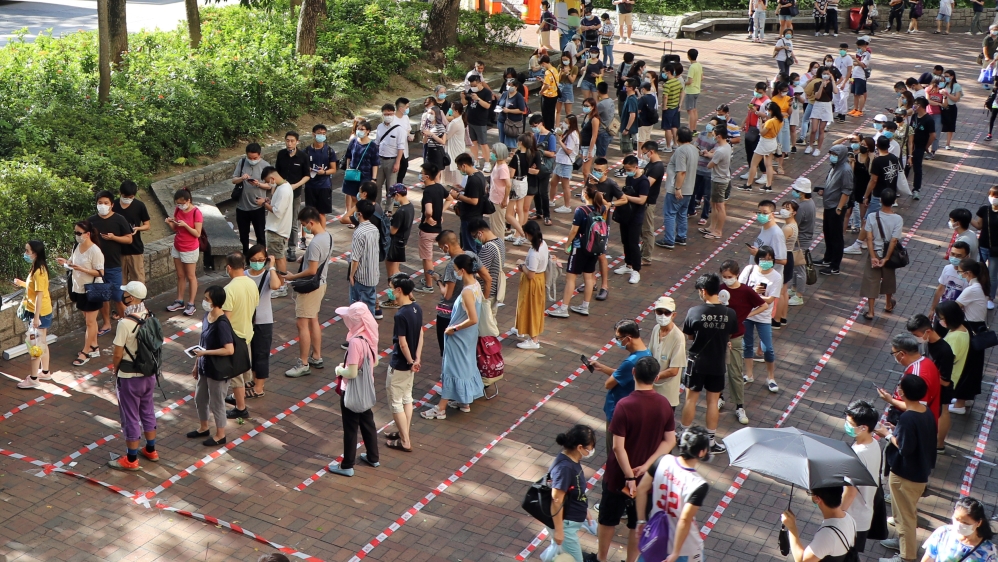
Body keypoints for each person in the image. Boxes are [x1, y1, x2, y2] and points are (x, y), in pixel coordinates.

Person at [596, 356, 677, 562]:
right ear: (657, 377)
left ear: (633, 373)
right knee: (637, 523)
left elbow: (617, 446)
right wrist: (647, 466)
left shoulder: (625, 405)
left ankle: (602, 558)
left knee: (608, 519)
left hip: (618, 476)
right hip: (647, 479)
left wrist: (629, 476)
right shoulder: (664, 404)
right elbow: (669, 441)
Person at [875, 374, 937, 562]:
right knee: (905, 513)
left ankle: (906, 556)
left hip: (906, 475)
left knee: (905, 517)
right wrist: (896, 430)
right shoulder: (924, 411)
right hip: (920, 471)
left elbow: (904, 447)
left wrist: (887, 434)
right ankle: (902, 542)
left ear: (903, 392)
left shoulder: (909, 418)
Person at [421, 254, 485, 419]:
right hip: (469, 336)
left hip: (460, 336)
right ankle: (463, 401)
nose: (455, 273)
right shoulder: (476, 285)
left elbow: (472, 318)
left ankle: (440, 408)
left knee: (452, 368)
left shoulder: (466, 292)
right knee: (465, 365)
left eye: (456, 270)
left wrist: (453, 329)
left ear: (462, 271)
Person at [681, 273, 738, 451]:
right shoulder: (730, 313)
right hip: (717, 363)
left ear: (703, 291)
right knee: (713, 402)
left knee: (691, 400)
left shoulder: (694, 312)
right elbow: (729, 335)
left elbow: (689, 336)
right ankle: (711, 441)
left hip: (696, 363)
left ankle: (684, 437)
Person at [635, 426, 711, 562]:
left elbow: (641, 489)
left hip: (655, 536)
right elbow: (684, 519)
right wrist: (675, 552)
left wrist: (641, 520)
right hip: (684, 548)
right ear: (701, 452)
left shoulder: (662, 460)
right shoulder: (698, 484)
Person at [106, 281, 158, 470]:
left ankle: (131, 459)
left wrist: (115, 369)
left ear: (132, 298)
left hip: (129, 377)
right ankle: (151, 450)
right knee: (147, 411)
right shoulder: (150, 316)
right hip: (149, 375)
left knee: (130, 417)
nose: (124, 296)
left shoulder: (125, 323)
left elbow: (118, 353)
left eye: (126, 293)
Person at [283, 207, 334, 378]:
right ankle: (316, 356)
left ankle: (303, 363)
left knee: (302, 324)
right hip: (322, 283)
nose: (304, 228)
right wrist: (304, 257)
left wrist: (292, 277)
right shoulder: (327, 236)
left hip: (311, 287)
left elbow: (312, 270)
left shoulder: (315, 243)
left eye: (305, 225)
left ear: (311, 222)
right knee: (313, 320)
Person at [719, 261, 769, 425]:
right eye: (724, 277)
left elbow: (764, 304)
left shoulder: (746, 291)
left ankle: (739, 406)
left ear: (737, 275)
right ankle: (719, 396)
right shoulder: (720, 290)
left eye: (730, 277)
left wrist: (749, 315)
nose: (727, 280)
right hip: (719, 337)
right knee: (718, 370)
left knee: (735, 373)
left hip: (735, 338)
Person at [431, 231, 491, 355]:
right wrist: (483, 301)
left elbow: (447, 295)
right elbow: (488, 278)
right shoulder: (471, 255)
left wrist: (438, 281)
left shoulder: (452, 265)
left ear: (446, 246)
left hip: (449, 314)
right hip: (469, 311)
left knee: (447, 350)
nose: (443, 250)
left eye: (441, 247)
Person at [546, 424, 598, 562]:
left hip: (571, 521)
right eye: (590, 448)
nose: (591, 451)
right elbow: (556, 501)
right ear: (580, 447)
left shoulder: (571, 460)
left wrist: (584, 508)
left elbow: (574, 490)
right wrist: (559, 530)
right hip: (566, 525)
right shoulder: (565, 468)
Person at [908, 312, 956, 453]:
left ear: (927, 331)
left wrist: (926, 376)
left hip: (941, 390)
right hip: (928, 388)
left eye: (917, 335)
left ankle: (939, 444)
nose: (917, 338)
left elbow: (945, 381)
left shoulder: (945, 351)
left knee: (942, 412)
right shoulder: (926, 343)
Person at [385, 275, 423, 453]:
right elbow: (420, 334)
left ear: (399, 290)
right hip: (411, 364)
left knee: (396, 402)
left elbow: (402, 342)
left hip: (400, 363)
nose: (391, 292)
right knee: (407, 398)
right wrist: (417, 359)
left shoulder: (400, 314)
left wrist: (409, 360)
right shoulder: (417, 308)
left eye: (392, 288)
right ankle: (403, 432)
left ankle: (405, 440)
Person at [60, 220, 105, 367]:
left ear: (87, 234)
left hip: (92, 289)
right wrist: (65, 262)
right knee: (88, 320)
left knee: (90, 322)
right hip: (79, 288)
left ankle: (85, 352)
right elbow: (73, 263)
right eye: (75, 233)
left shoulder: (95, 251)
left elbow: (100, 272)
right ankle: (94, 347)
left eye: (79, 233)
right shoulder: (77, 246)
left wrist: (82, 269)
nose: (77, 236)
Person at [239, 245, 281, 400]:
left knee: (261, 353)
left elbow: (276, 286)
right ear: (248, 260)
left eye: (261, 260)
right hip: (246, 320)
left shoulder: (269, 274)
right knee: (251, 354)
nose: (258, 263)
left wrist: (271, 267)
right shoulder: (243, 275)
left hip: (264, 320)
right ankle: (254, 380)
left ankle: (259, 388)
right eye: (254, 260)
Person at [89, 190, 134, 335]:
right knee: (103, 298)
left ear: (112, 205)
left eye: (106, 203)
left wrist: (114, 238)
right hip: (96, 267)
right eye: (100, 203)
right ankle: (106, 324)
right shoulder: (91, 221)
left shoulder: (119, 219)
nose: (102, 205)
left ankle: (126, 324)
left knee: (117, 297)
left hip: (114, 265)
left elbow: (129, 239)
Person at [738, 247, 782, 393]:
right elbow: (740, 291)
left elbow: (770, 300)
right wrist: (753, 292)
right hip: (747, 315)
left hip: (763, 317)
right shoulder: (749, 270)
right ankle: (749, 374)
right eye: (763, 258)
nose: (766, 262)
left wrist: (753, 296)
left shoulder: (776, 277)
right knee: (747, 345)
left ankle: (771, 377)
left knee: (767, 348)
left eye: (770, 259)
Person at [841, 400, 883, 552]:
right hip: (863, 515)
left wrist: (837, 514)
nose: (847, 425)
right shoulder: (873, 444)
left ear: (863, 428)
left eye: (850, 423)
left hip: (852, 517)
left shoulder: (857, 454)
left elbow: (850, 491)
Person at [952, 259, 990, 415]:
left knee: (965, 365)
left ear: (967, 273)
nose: (959, 275)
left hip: (970, 329)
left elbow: (953, 308)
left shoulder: (972, 289)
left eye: (960, 272)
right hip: (977, 328)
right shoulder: (979, 286)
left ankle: (960, 403)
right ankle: (966, 398)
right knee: (973, 365)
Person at [781, 486, 858, 562]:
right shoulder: (849, 518)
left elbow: (802, 561)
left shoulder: (827, 536)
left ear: (817, 499)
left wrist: (792, 528)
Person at [14, 240, 53, 389]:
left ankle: (34, 378)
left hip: (39, 314)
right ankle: (45, 372)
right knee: (42, 342)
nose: (25, 254)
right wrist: (23, 284)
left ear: (35, 253)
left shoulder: (39, 271)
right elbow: (34, 289)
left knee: (35, 346)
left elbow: (39, 295)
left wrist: (36, 318)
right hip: (41, 312)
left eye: (27, 251)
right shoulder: (37, 268)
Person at [861, 189, 902, 320]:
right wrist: (886, 258)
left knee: (871, 281)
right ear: (894, 201)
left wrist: (873, 256)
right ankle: (888, 304)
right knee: (888, 280)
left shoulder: (872, 216)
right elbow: (894, 240)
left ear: (880, 200)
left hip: (875, 253)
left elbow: (869, 238)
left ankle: (871, 311)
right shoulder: (898, 219)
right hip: (888, 254)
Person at [814, 145, 853, 275]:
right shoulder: (834, 167)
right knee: (828, 233)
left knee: (836, 237)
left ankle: (835, 266)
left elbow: (846, 190)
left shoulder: (846, 170)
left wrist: (839, 208)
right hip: (829, 205)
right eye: (831, 153)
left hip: (836, 208)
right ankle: (828, 258)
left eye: (835, 154)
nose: (832, 156)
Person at [658, 128, 698, 250]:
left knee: (670, 214)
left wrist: (677, 188)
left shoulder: (681, 151)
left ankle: (669, 239)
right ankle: (681, 236)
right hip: (689, 188)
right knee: (682, 213)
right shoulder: (694, 149)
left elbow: (681, 171)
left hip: (678, 189)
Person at [922, 497, 997, 562]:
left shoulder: (989, 551)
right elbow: (929, 557)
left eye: (965, 523)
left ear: (978, 523)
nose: (958, 525)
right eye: (956, 519)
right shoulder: (943, 532)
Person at [256, 167, 293, 298]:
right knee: (280, 257)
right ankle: (281, 283)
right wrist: (268, 202)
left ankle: (281, 285)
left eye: (268, 181)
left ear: (272, 178)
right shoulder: (285, 187)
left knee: (278, 258)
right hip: (279, 229)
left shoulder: (283, 190)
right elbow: (278, 206)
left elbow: (277, 211)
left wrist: (263, 204)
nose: (269, 184)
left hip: (277, 229)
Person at [612, 156, 649, 284]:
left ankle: (636, 270)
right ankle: (628, 265)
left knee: (633, 243)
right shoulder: (629, 178)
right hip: (625, 214)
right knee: (625, 241)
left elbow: (642, 200)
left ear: (636, 167)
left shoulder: (643, 182)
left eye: (629, 169)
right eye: (625, 169)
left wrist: (625, 197)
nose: (627, 171)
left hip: (636, 216)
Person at [514, 221, 549, 350]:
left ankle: (533, 339)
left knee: (531, 309)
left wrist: (521, 265)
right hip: (539, 279)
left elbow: (530, 275)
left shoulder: (535, 253)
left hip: (532, 283)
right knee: (531, 307)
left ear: (528, 234)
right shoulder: (543, 243)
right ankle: (525, 329)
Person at [230, 144, 270, 256]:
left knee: (260, 235)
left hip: (258, 207)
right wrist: (241, 178)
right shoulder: (242, 163)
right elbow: (234, 180)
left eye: (255, 158)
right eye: (250, 158)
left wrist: (259, 184)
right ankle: (246, 257)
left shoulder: (265, 166)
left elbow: (270, 185)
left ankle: (261, 256)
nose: (252, 160)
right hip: (242, 207)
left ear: (260, 155)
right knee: (243, 235)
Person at [380, 184, 415, 301]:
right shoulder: (410, 207)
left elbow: (393, 231)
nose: (393, 198)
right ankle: (409, 293)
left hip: (394, 244)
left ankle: (394, 300)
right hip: (402, 242)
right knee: (397, 272)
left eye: (393, 196)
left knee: (392, 275)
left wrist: (385, 224)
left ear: (398, 195)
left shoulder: (401, 211)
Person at [417, 163, 448, 293]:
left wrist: (428, 217)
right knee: (430, 256)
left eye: (422, 173)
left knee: (427, 258)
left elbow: (428, 210)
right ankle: (428, 278)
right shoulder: (439, 187)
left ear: (427, 176)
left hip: (427, 230)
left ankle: (429, 285)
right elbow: (450, 198)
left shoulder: (428, 192)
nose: (421, 175)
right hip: (438, 229)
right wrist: (440, 213)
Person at [113, 181, 150, 285]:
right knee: (120, 282)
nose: (128, 198)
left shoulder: (139, 206)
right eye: (125, 196)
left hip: (135, 249)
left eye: (131, 196)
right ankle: (123, 300)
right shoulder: (113, 205)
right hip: (118, 251)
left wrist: (138, 228)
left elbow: (147, 225)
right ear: (120, 192)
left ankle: (138, 300)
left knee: (138, 280)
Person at [740, 101, 783, 191]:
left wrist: (760, 124)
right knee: (768, 165)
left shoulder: (770, 122)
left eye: (767, 110)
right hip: (772, 142)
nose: (766, 112)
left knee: (753, 164)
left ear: (771, 110)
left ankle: (748, 184)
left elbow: (762, 133)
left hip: (764, 143)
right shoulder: (780, 121)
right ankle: (768, 185)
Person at [348, 199, 381, 317]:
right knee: (370, 306)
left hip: (361, 277)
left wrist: (351, 275)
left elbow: (355, 258)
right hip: (373, 275)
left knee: (358, 309)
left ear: (360, 214)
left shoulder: (359, 233)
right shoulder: (374, 229)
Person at [303, 124, 338, 225]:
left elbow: (333, 169)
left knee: (322, 213)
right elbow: (302, 167)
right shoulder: (306, 151)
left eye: (324, 134)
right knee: (309, 213)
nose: (321, 136)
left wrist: (324, 172)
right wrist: (308, 169)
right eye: (319, 133)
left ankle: (323, 236)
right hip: (310, 185)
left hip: (324, 186)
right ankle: (304, 237)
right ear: (313, 134)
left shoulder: (329, 151)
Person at [451, 153, 487, 252]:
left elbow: (474, 200)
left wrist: (457, 196)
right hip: (478, 215)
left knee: (469, 247)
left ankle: (472, 266)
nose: (460, 170)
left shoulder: (473, 180)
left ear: (464, 166)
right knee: (477, 245)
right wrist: (463, 189)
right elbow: (476, 192)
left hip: (470, 217)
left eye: (459, 168)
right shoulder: (479, 175)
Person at [470, 218, 506, 313]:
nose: (475, 240)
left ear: (480, 233)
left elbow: (482, 274)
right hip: (495, 291)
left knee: (485, 325)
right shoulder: (500, 241)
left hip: (487, 294)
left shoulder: (487, 248)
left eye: (474, 236)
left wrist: (469, 272)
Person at [789, 178, 816, 305]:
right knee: (795, 266)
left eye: (796, 190)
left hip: (800, 241)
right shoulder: (810, 203)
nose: (793, 192)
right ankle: (794, 288)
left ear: (802, 192)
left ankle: (799, 295)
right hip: (804, 239)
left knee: (799, 268)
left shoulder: (802, 207)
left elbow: (795, 224)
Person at [703, 126, 733, 240]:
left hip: (719, 180)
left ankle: (718, 231)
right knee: (713, 203)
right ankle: (712, 227)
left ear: (719, 136)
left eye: (714, 135)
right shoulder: (726, 146)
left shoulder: (720, 151)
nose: (713, 137)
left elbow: (710, 165)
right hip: (721, 178)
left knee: (719, 206)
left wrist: (710, 158)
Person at [928, 241, 970, 320]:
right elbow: (941, 289)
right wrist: (932, 309)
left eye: (959, 256)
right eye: (953, 254)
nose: (954, 258)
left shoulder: (969, 276)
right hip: (942, 312)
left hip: (957, 316)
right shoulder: (947, 268)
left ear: (967, 257)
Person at [971, 185, 998, 307]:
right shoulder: (984, 210)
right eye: (992, 196)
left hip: (996, 250)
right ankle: (978, 294)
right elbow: (979, 226)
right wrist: (967, 217)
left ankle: (990, 298)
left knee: (992, 274)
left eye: (997, 196)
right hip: (982, 245)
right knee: (980, 271)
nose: (994, 198)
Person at [375, 103, 408, 200]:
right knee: (377, 185)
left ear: (393, 113)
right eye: (386, 114)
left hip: (392, 160)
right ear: (382, 114)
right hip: (380, 159)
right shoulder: (380, 127)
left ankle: (388, 210)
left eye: (390, 114)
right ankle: (377, 207)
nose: (388, 116)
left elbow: (401, 147)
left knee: (391, 187)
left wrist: (397, 162)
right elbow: (377, 143)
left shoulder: (399, 129)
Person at [463, 75, 495, 170]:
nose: (473, 87)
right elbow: (465, 103)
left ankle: (487, 162)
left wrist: (477, 98)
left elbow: (487, 106)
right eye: (471, 85)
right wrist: (463, 97)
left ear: (479, 83)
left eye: (474, 84)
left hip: (480, 121)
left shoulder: (486, 92)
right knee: (472, 142)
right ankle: (475, 160)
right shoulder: (470, 91)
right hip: (470, 120)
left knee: (483, 143)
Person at [551, 114, 580, 214]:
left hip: (566, 163)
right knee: (553, 182)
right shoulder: (568, 132)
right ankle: (551, 201)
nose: (564, 124)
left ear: (571, 124)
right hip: (561, 161)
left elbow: (569, 151)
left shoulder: (572, 135)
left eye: (566, 122)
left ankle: (567, 206)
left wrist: (559, 141)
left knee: (565, 186)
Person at [532, 114, 558, 225]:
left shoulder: (550, 136)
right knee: (535, 192)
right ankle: (539, 212)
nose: (534, 127)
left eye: (535, 125)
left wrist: (540, 152)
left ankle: (547, 215)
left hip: (545, 168)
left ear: (541, 123)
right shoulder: (535, 135)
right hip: (535, 167)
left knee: (543, 192)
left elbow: (552, 153)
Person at [805, 70, 838, 157]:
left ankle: (818, 148)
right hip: (818, 105)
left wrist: (833, 80)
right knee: (814, 129)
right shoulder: (817, 84)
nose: (826, 75)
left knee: (821, 129)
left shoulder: (831, 84)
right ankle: (810, 145)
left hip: (827, 106)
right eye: (824, 74)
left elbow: (836, 91)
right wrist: (822, 86)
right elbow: (817, 96)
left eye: (828, 73)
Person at [488, 143, 516, 242]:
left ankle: (499, 247)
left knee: (498, 226)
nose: (492, 153)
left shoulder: (502, 168)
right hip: (493, 198)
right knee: (493, 224)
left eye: (493, 152)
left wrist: (504, 200)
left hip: (499, 200)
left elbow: (508, 185)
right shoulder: (497, 164)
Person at [910, 97, 935, 200]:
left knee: (917, 168)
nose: (913, 106)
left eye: (915, 104)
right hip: (910, 145)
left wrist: (926, 146)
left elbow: (933, 135)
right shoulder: (914, 116)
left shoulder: (929, 120)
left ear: (920, 105)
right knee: (906, 166)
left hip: (920, 147)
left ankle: (916, 189)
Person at [498, 77, 528, 150]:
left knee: (511, 143)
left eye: (511, 85)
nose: (509, 87)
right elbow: (499, 103)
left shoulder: (519, 96)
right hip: (502, 120)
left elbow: (522, 110)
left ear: (516, 86)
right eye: (508, 85)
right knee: (501, 141)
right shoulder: (505, 94)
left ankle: (513, 156)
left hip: (512, 123)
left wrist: (509, 111)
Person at [660, 63, 684, 152]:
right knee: (674, 126)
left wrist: (664, 106)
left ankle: (668, 146)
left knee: (667, 128)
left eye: (664, 72)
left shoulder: (668, 84)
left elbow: (665, 96)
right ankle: (675, 143)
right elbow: (682, 91)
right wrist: (680, 104)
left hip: (669, 108)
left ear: (668, 72)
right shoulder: (677, 81)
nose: (663, 74)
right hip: (675, 107)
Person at [421, 96, 449, 172]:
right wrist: (425, 136)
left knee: (437, 173)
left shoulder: (440, 127)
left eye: (431, 113)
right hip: (429, 152)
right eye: (429, 113)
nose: (429, 115)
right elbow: (424, 142)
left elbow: (443, 141)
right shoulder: (428, 126)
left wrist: (432, 135)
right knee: (428, 172)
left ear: (436, 114)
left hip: (437, 152)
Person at [444, 103, 467, 187]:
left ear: (456, 111)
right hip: (458, 146)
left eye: (452, 109)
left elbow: (447, 136)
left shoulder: (455, 123)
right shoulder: (458, 120)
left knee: (454, 167)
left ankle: (456, 185)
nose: (450, 110)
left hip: (454, 147)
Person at [539, 58, 560, 132]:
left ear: (544, 63)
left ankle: (547, 130)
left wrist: (541, 91)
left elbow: (547, 85)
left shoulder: (547, 72)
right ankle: (551, 129)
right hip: (554, 94)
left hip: (547, 95)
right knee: (551, 113)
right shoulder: (554, 69)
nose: (542, 66)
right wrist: (543, 80)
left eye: (542, 65)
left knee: (546, 115)